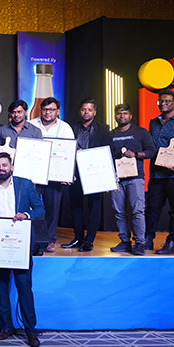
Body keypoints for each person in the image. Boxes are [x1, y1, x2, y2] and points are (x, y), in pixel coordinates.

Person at [0, 152, 45, 347]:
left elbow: (40, 209)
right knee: (1, 287)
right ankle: (7, 326)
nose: (1, 169)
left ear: (11, 166)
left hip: (20, 244)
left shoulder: (25, 184)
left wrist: (26, 215)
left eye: (4, 165)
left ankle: (31, 330)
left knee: (24, 288)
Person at [63, 98, 111, 252]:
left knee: (94, 205)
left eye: (90, 110)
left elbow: (108, 150)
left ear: (94, 112)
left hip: (94, 172)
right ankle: (78, 238)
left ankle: (89, 241)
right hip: (76, 172)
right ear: (79, 111)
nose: (86, 112)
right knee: (75, 205)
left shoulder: (103, 129)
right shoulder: (71, 128)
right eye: (84, 109)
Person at [107, 104, 155, 256]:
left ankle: (139, 243)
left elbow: (151, 151)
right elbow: (105, 156)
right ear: (115, 116)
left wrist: (135, 154)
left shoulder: (141, 132)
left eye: (125, 113)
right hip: (117, 179)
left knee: (137, 211)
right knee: (119, 212)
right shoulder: (110, 134)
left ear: (131, 115)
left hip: (135, 178)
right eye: (119, 113)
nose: (122, 116)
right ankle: (125, 242)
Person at [30, 97, 75, 251]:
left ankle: (49, 240)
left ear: (57, 111)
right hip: (35, 174)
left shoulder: (65, 128)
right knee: (31, 206)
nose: (47, 112)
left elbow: (70, 152)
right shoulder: (31, 125)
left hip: (56, 175)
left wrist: (68, 173)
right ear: (40, 110)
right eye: (45, 109)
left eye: (51, 110)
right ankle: (32, 238)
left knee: (53, 208)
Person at [146, 90, 174, 254]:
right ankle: (147, 240)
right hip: (156, 173)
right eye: (161, 101)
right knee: (152, 208)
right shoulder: (154, 122)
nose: (163, 104)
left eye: (167, 101)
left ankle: (172, 243)